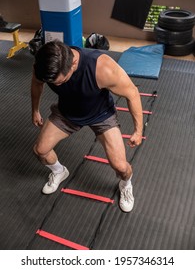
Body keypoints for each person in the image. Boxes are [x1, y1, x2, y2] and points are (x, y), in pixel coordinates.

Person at [31, 40, 143, 213]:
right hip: (67, 113)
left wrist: (138, 130)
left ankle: (126, 185)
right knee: (41, 150)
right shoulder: (45, 65)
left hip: (101, 115)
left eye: (61, 81)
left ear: (73, 64)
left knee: (121, 167)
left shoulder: (103, 68)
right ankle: (60, 171)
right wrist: (35, 110)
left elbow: (132, 93)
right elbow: (37, 83)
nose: (57, 85)